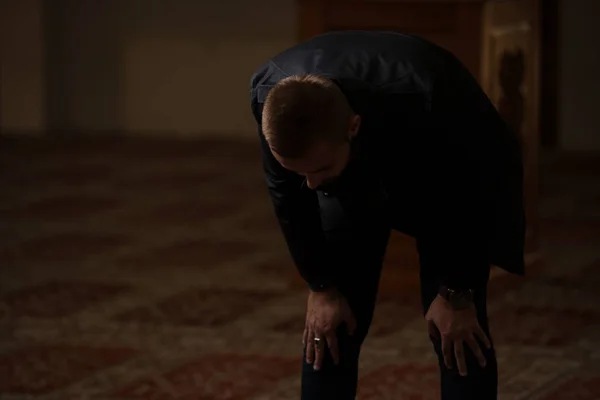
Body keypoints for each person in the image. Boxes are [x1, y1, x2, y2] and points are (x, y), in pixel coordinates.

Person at [249, 30, 525, 400]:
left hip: (444, 179)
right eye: (300, 173)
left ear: (353, 127)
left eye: (319, 169)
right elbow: (287, 197)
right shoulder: (272, 98)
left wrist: (456, 291)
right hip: (351, 174)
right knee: (330, 324)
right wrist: (321, 287)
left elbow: (474, 192)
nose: (310, 186)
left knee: (457, 330)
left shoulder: (431, 95)